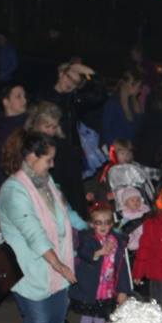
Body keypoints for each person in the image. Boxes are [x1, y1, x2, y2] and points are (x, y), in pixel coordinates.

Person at [0, 132, 87, 323]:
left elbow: (65, 211)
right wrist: (59, 265)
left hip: (56, 263)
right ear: (31, 157)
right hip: (30, 267)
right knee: (37, 320)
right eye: (48, 159)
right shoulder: (14, 191)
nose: (52, 165)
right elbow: (33, 233)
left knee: (57, 318)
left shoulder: (46, 182)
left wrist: (88, 229)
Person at [36, 60, 104, 216]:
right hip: (48, 156)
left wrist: (89, 72)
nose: (70, 83)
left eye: (75, 82)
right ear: (61, 73)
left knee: (76, 203)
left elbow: (100, 95)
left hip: (70, 157)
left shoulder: (74, 99)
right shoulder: (43, 95)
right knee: (52, 203)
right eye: (68, 77)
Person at [69, 203, 130, 323]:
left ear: (112, 224)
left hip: (107, 289)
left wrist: (123, 290)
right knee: (87, 319)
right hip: (90, 289)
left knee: (101, 321)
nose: (103, 226)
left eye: (107, 222)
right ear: (91, 224)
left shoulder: (116, 241)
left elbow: (121, 267)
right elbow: (83, 252)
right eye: (98, 222)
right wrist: (99, 252)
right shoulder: (87, 238)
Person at [100, 68, 142, 148]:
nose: (140, 90)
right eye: (138, 86)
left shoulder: (132, 104)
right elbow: (105, 131)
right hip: (115, 150)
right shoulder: (113, 103)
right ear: (129, 84)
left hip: (127, 150)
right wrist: (118, 148)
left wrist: (138, 112)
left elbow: (135, 131)